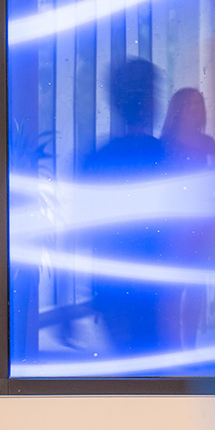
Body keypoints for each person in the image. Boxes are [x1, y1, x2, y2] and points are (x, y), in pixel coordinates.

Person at [84, 58, 170, 354]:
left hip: (112, 283)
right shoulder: (161, 154)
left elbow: (90, 230)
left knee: (126, 374)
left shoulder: (97, 158)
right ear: (148, 99)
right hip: (151, 281)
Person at [160, 87, 215, 349]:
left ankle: (192, 346)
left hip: (201, 221)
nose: (196, 109)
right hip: (176, 223)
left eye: (199, 104)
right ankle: (175, 347)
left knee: (196, 287)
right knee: (176, 289)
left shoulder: (208, 142)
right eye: (189, 104)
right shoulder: (165, 143)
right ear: (177, 109)